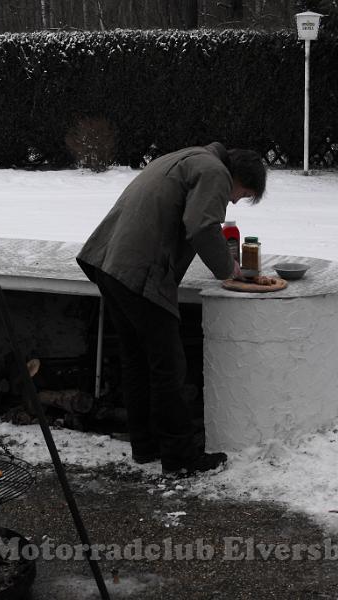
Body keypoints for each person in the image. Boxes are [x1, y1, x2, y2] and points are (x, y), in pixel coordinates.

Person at [76, 142, 266, 476]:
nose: (235, 200)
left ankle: (144, 446)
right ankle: (181, 459)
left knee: (136, 361)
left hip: (108, 263)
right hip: (140, 272)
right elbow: (202, 227)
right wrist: (228, 269)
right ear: (237, 176)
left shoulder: (185, 157)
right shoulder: (214, 172)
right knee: (169, 367)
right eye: (242, 193)